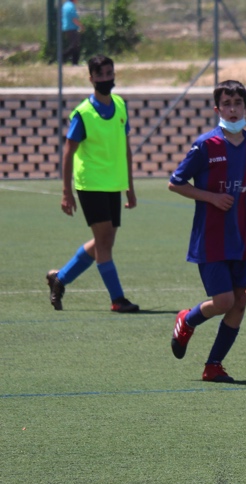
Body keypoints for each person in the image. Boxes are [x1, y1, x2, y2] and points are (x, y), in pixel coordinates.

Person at [167, 80, 246, 383]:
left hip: (240, 238)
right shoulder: (205, 145)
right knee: (225, 301)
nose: (232, 109)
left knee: (241, 301)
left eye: (237, 103)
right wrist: (211, 197)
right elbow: (175, 182)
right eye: (226, 104)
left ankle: (213, 365)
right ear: (217, 109)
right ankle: (187, 319)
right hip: (211, 239)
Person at [48, 54, 139, 313]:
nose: (106, 79)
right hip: (90, 184)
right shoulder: (83, 113)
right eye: (100, 75)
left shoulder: (120, 105)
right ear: (91, 79)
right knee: (104, 241)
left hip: (113, 184)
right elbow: (68, 152)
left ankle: (60, 278)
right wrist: (66, 192)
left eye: (109, 73)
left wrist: (130, 187)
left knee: (104, 241)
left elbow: (126, 149)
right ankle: (117, 299)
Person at [61, 0, 84, 66]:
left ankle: (74, 63)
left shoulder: (65, 5)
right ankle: (62, 56)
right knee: (75, 45)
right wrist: (81, 26)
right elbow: (74, 19)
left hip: (67, 27)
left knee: (75, 45)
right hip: (72, 28)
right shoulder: (71, 6)